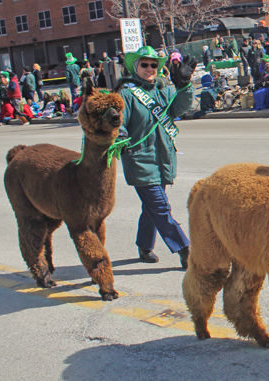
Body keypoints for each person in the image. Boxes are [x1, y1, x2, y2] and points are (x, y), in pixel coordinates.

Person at [118, 46, 195, 268]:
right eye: (144, 64)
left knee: (151, 206)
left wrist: (184, 85)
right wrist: (120, 135)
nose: (150, 68)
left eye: (154, 65)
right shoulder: (126, 93)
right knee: (161, 207)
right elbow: (119, 121)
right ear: (135, 67)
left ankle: (144, 246)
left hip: (163, 158)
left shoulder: (165, 91)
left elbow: (181, 109)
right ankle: (184, 249)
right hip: (140, 160)